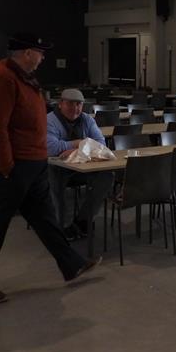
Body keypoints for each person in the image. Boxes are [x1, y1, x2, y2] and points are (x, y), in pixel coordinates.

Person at [0, 33, 100, 305]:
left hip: (31, 164)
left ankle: (71, 264)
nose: (43, 57)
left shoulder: (23, 78)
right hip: (10, 166)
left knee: (45, 218)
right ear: (27, 53)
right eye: (40, 52)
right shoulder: (2, 78)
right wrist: (5, 167)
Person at [47, 88, 114, 241]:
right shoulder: (50, 120)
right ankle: (61, 226)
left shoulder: (87, 120)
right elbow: (50, 148)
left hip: (82, 168)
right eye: (70, 103)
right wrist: (79, 143)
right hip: (56, 168)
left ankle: (83, 220)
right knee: (53, 178)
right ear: (60, 104)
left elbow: (101, 144)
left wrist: (74, 149)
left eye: (78, 104)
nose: (75, 108)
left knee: (106, 176)